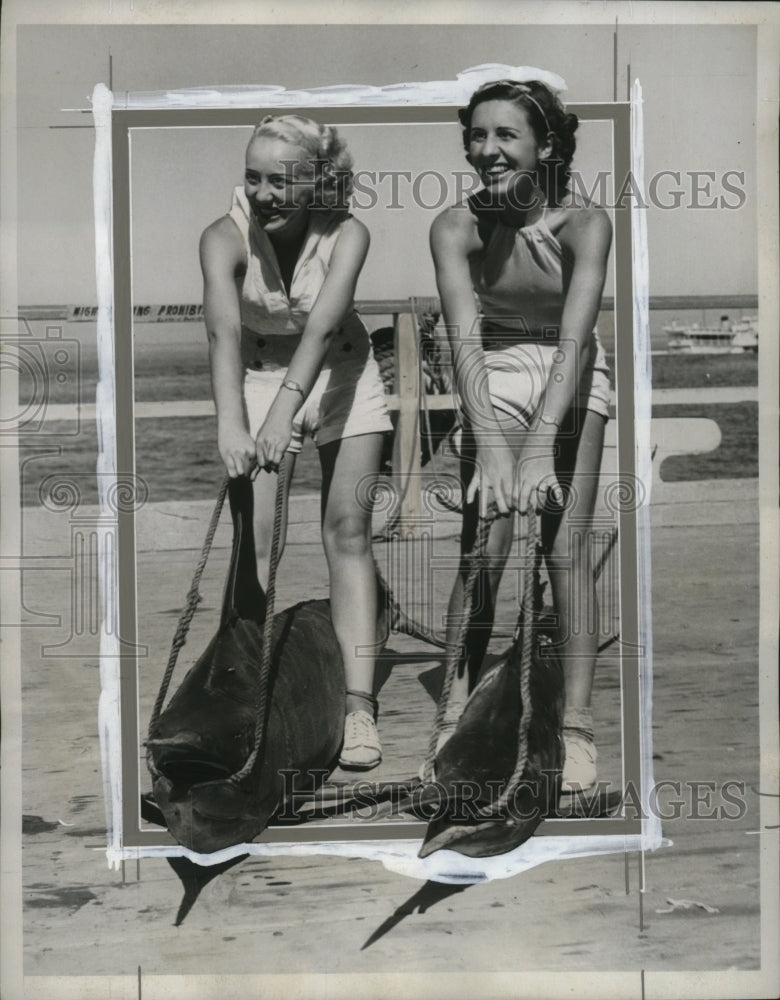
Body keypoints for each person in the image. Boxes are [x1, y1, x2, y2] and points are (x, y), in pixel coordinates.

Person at [430, 79, 613, 794]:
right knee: (487, 544)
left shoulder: (587, 223)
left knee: (566, 546)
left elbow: (574, 342)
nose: (487, 150)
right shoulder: (454, 227)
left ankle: (575, 725)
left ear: (546, 146)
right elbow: (463, 343)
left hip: (571, 368)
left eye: (505, 135)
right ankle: (454, 713)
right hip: (494, 369)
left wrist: (540, 444)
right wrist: (496, 449)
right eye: (477, 136)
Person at [199, 115, 393, 770]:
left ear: (318, 184)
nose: (260, 192)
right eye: (252, 176)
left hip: (340, 371)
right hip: (256, 370)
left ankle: (359, 706)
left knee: (347, 532)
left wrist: (286, 414)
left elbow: (319, 331)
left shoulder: (350, 236)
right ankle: (240, 698)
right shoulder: (222, 239)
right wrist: (233, 422)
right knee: (252, 540)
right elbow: (225, 335)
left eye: (279, 181)